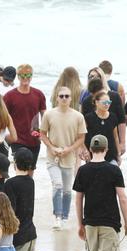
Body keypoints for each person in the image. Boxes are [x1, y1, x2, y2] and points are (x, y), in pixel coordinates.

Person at [73, 135, 127, 251]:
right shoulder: (113, 170)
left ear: (91, 150)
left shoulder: (83, 170)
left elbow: (78, 200)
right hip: (110, 222)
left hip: (90, 222)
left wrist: (80, 224)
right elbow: (123, 198)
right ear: (106, 150)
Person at [40, 86, 87, 229]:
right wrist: (52, 147)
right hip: (52, 158)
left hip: (69, 158)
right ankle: (57, 216)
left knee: (67, 190)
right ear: (57, 98)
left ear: (71, 98)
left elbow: (81, 138)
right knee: (57, 185)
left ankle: (65, 217)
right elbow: (42, 134)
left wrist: (70, 149)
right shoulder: (49, 114)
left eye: (67, 96)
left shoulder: (78, 116)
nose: (64, 98)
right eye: (61, 96)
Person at [4, 148, 37, 251]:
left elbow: (11, 211)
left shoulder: (10, 183)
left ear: (14, 163)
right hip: (31, 232)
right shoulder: (31, 181)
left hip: (18, 235)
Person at [3, 64, 47, 172]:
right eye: (22, 75)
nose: (25, 78)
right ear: (18, 76)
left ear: (31, 76)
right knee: (20, 170)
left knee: (30, 172)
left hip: (34, 139)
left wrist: (45, 135)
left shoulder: (39, 94)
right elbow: (3, 118)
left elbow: (45, 117)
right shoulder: (9, 96)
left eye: (28, 75)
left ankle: (28, 189)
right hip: (17, 139)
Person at [81, 76, 127, 156]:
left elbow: (121, 121)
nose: (95, 97)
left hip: (111, 144)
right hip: (92, 146)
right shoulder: (87, 101)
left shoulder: (115, 97)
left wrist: (122, 143)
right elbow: (83, 128)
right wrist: (84, 149)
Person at [84, 91, 121, 165]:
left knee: (112, 174)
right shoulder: (89, 117)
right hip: (93, 155)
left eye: (108, 102)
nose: (107, 104)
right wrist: (85, 150)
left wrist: (118, 154)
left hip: (111, 154)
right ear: (96, 102)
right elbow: (82, 137)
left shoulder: (113, 117)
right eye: (104, 102)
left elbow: (116, 137)